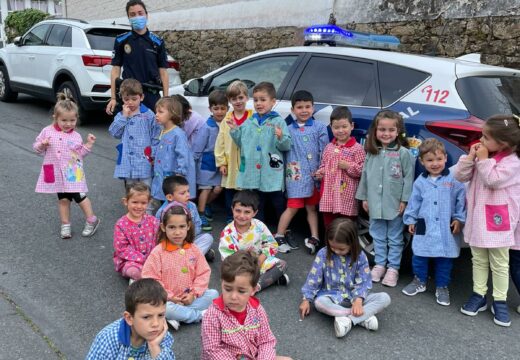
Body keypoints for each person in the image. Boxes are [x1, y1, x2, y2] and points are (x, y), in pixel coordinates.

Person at [455, 114, 520, 327]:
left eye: (486, 138)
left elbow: (493, 180)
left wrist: (483, 160)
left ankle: (499, 300)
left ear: (503, 144)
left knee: (500, 262)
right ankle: (478, 294)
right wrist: (469, 158)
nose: (481, 141)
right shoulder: (480, 155)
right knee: (479, 259)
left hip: (498, 221)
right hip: (477, 219)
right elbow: (460, 176)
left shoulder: (513, 162)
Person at [299, 218, 391, 338]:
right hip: (331, 296)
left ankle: (348, 321)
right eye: (332, 247)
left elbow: (364, 281)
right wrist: (306, 299)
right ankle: (363, 317)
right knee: (319, 303)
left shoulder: (360, 256)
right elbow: (313, 278)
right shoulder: (323, 253)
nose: (336, 251)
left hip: (355, 297)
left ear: (352, 243)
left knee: (384, 298)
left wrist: (358, 301)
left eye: (341, 249)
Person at [402, 139, 466, 306]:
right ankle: (419, 281)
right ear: (422, 162)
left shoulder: (454, 180)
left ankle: (442, 286)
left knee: (444, 259)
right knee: (419, 255)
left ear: (445, 158)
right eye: (430, 160)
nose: (435, 164)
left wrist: (459, 218)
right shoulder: (420, 182)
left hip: (446, 227)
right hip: (424, 225)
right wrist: (410, 219)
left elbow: (461, 200)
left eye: (438, 159)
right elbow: (414, 202)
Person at [355, 110, 415, 287]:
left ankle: (393, 268)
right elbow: (365, 175)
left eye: (390, 130)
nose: (386, 134)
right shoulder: (371, 152)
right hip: (374, 202)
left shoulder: (403, 154)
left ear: (398, 132)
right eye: (382, 129)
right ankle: (380, 265)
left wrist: (404, 200)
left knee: (396, 238)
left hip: (394, 204)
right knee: (377, 235)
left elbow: (408, 178)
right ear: (375, 131)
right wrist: (364, 197)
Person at [228, 82, 292, 244]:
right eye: (256, 100)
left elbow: (286, 146)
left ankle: (283, 231)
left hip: (271, 174)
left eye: (263, 100)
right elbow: (242, 142)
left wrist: (280, 137)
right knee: (258, 203)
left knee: (278, 203)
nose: (259, 104)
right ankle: (259, 233)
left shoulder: (278, 121)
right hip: (253, 175)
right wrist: (235, 130)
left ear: (273, 101)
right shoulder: (250, 121)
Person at [201, 251, 292, 360]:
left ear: (253, 290)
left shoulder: (257, 310)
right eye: (228, 289)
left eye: (241, 291)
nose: (233, 296)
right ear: (222, 283)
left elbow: (266, 340)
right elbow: (212, 349)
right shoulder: (213, 315)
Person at [33, 93, 100, 239]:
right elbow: (36, 147)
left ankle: (92, 220)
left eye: (72, 120)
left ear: (76, 119)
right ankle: (65, 224)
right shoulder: (47, 131)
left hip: (72, 172)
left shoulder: (75, 136)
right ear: (55, 117)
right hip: (55, 171)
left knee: (79, 196)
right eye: (64, 120)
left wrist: (88, 144)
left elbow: (80, 153)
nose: (68, 124)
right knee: (63, 199)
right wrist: (42, 144)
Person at [142, 204, 219, 330]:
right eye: (172, 227)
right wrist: (169, 296)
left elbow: (203, 273)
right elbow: (150, 279)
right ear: (163, 227)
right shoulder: (158, 252)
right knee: (163, 308)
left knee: (213, 294)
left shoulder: (193, 249)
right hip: (168, 300)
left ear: (188, 226)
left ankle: (178, 316)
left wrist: (193, 294)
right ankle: (198, 315)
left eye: (182, 227)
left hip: (190, 298)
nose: (177, 232)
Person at [273, 90, 329, 253]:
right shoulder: (288, 129)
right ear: (293, 110)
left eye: (307, 107)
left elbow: (324, 151)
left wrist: (322, 169)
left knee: (311, 208)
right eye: (299, 107)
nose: (304, 110)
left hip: (314, 176)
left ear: (313, 108)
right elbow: (283, 148)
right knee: (293, 207)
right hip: (296, 176)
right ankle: (279, 235)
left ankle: (315, 236)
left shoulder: (320, 127)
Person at [86, 278, 175, 359]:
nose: (156, 324)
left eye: (160, 315)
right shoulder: (107, 339)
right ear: (129, 318)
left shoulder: (162, 336)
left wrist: (154, 346)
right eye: (146, 317)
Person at [106, 0, 168, 114]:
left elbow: (163, 72)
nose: (137, 17)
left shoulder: (158, 42)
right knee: (127, 130)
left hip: (151, 96)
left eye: (140, 13)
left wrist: (166, 99)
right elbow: (115, 70)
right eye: (133, 14)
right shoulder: (121, 40)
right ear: (128, 18)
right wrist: (114, 98)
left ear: (146, 15)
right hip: (129, 96)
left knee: (153, 130)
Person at [219, 190, 289, 291]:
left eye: (247, 212)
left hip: (258, 262)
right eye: (238, 211)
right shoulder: (227, 232)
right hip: (238, 267)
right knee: (231, 274)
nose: (242, 216)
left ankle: (255, 287)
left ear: (255, 213)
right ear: (232, 209)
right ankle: (265, 280)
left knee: (282, 264)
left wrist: (260, 260)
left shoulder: (259, 226)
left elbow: (272, 245)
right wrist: (247, 267)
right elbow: (228, 259)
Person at [315, 106, 365, 239]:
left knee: (346, 227)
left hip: (346, 198)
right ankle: (330, 250)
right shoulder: (329, 147)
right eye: (336, 127)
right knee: (329, 226)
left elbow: (361, 171)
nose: (340, 130)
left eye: (344, 126)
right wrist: (321, 172)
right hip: (329, 196)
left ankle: (348, 252)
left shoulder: (357, 149)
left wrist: (348, 165)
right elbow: (325, 165)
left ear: (352, 126)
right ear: (331, 127)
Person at [108, 79, 161, 191]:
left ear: (141, 97)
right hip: (128, 161)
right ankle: (132, 207)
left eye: (134, 99)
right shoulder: (121, 115)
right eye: (126, 99)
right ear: (122, 98)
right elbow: (114, 132)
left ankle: (147, 209)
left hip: (144, 159)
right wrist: (124, 118)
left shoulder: (148, 115)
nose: (130, 102)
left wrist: (154, 155)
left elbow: (156, 135)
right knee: (131, 189)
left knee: (146, 188)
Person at [215, 80, 254, 223]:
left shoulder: (252, 117)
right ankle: (230, 217)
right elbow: (221, 142)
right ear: (229, 101)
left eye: (240, 98)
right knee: (230, 192)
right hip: (230, 162)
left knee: (246, 192)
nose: (237, 101)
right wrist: (221, 162)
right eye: (233, 99)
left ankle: (247, 217)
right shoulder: (227, 119)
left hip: (247, 163)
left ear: (246, 98)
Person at [150, 97, 196, 210]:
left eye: (160, 112)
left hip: (172, 176)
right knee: (165, 199)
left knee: (174, 203)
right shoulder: (162, 130)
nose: (156, 114)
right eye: (156, 111)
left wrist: (180, 172)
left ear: (172, 114)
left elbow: (183, 155)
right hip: (162, 175)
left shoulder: (178, 134)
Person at [155, 175, 215, 262]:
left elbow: (198, 225)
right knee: (160, 248)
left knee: (208, 238)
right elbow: (158, 233)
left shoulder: (192, 206)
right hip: (171, 242)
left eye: (188, 191)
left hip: (189, 240)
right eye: (182, 193)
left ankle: (188, 260)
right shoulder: (161, 212)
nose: (188, 195)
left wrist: (187, 236)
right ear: (170, 197)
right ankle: (195, 256)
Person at [192, 90, 227, 231]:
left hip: (220, 163)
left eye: (222, 108)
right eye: (216, 108)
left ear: (227, 108)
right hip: (206, 163)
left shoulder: (227, 124)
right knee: (205, 189)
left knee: (218, 189)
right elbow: (198, 146)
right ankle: (200, 214)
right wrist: (192, 163)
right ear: (210, 109)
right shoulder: (207, 126)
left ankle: (205, 205)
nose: (219, 112)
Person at [113, 182, 159, 282]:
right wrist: (142, 259)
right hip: (131, 261)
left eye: (143, 203)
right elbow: (121, 248)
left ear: (148, 202)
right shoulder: (121, 224)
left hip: (153, 258)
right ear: (126, 201)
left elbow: (161, 239)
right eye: (135, 202)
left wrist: (155, 257)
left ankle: (149, 278)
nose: (139, 206)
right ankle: (140, 278)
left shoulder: (153, 221)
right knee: (133, 271)